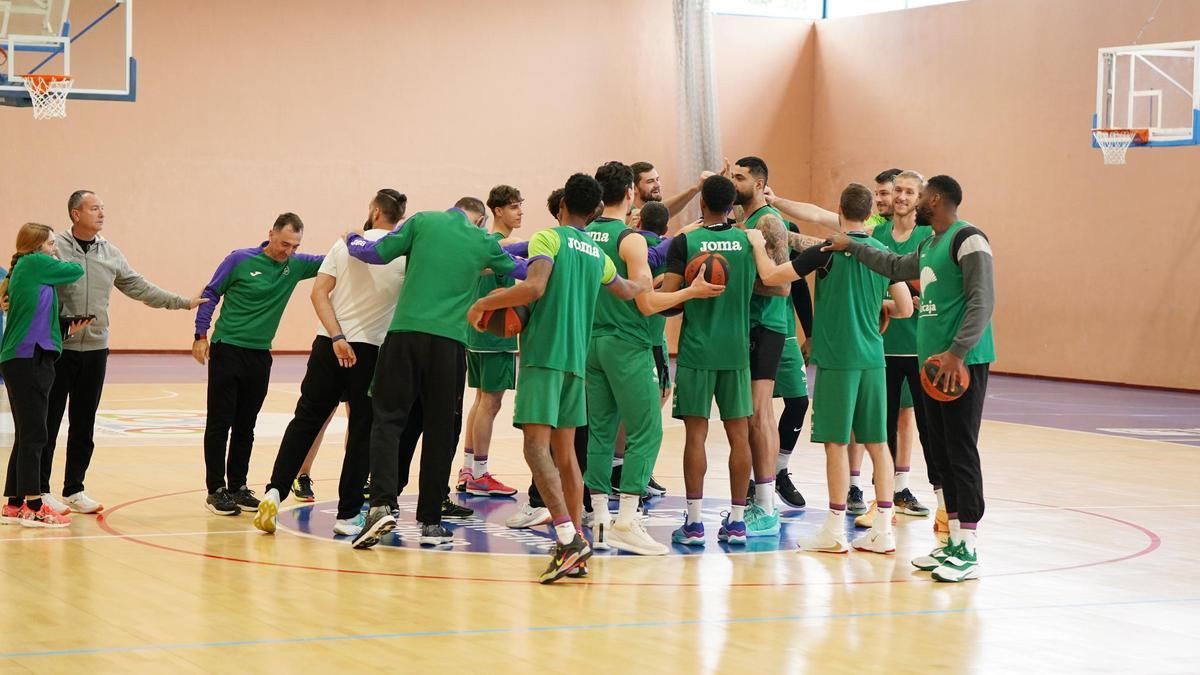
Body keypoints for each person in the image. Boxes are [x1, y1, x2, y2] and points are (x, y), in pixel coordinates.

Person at [467, 173, 665, 582]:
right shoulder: (598, 254)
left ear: (560, 207)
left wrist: (487, 301)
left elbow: (534, 287)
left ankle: (566, 537)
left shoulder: (549, 239)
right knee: (566, 455)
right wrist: (647, 281)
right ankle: (576, 540)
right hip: (577, 364)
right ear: (594, 211)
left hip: (544, 358)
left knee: (535, 450)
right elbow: (628, 290)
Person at [824, 174, 995, 582]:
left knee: (960, 450)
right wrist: (853, 244)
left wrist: (957, 353)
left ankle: (969, 547)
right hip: (932, 366)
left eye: (918, 195)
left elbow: (983, 299)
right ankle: (951, 542)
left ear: (934, 198)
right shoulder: (930, 243)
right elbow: (894, 266)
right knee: (937, 452)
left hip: (960, 364)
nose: (911, 201)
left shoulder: (967, 238)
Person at [747, 182, 913, 555]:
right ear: (869, 213)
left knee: (836, 445)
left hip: (838, 360)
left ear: (839, 211)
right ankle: (884, 530)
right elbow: (905, 308)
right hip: (873, 359)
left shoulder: (827, 252)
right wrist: (879, 305)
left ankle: (835, 529)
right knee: (878, 444)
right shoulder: (883, 252)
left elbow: (773, 278)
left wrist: (759, 247)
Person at [347, 200, 522, 550]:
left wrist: (354, 238)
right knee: (441, 430)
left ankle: (381, 504)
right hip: (449, 346)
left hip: (404, 337)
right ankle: (430, 521)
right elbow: (522, 268)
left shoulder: (423, 221)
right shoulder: (483, 241)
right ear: (480, 219)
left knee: (387, 421)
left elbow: (376, 253)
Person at [582, 162, 722, 555]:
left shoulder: (582, 235)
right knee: (646, 430)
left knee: (601, 433)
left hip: (590, 344)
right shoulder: (631, 241)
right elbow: (646, 304)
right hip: (626, 344)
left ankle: (599, 520)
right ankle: (627, 519)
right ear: (630, 192)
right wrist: (689, 293)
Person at [42, 190, 206, 516]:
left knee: (84, 423)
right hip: (59, 347)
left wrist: (182, 302)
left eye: (103, 208)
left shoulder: (110, 252)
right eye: (94, 208)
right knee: (48, 421)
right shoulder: (55, 248)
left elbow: (139, 286)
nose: (101, 213)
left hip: (96, 350)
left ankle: (74, 488)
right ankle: (41, 490)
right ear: (76, 214)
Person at [254, 190, 408, 537]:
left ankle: (275, 492)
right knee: (362, 431)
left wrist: (337, 336)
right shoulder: (402, 253)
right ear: (399, 217)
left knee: (306, 420)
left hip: (329, 345)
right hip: (370, 350)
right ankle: (347, 513)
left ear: (374, 211)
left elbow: (318, 292)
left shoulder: (344, 245)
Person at [193, 213, 324, 516]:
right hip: (228, 349)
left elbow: (336, 258)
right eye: (283, 244)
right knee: (219, 422)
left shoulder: (296, 265)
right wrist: (201, 334)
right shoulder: (240, 259)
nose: (287, 251)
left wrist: (358, 236)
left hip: (260, 355)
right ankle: (215, 489)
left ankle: (238, 486)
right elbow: (211, 293)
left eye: (294, 246)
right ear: (270, 235)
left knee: (246, 425)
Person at [663, 175, 757, 548]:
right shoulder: (749, 241)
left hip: (698, 349)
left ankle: (696, 523)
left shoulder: (686, 241)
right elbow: (773, 284)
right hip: (737, 349)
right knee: (739, 436)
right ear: (732, 205)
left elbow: (670, 299)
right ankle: (736, 522)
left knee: (696, 436)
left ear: (701, 204)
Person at [1, 224, 87, 528]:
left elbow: (35, 316)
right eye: (51, 243)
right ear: (37, 246)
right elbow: (76, 270)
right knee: (36, 434)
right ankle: (34, 506)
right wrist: (64, 252)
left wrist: (63, 328)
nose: (55, 248)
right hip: (29, 358)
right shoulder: (36, 263)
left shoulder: (28, 269)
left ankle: (13, 505)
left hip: (23, 357)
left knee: (26, 434)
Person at [729, 156, 790, 537]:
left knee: (759, 413)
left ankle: (766, 506)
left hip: (766, 325)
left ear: (760, 182)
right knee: (749, 415)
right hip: (747, 325)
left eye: (740, 177)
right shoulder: (743, 222)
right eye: (731, 176)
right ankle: (760, 500)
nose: (733, 182)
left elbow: (783, 284)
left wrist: (738, 286)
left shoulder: (768, 221)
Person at [457, 185, 524, 498]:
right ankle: (480, 474)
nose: (520, 212)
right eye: (514, 207)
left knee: (481, 400)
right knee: (490, 403)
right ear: (497, 211)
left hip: (475, 332)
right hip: (495, 334)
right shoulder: (503, 243)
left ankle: (468, 468)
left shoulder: (482, 243)